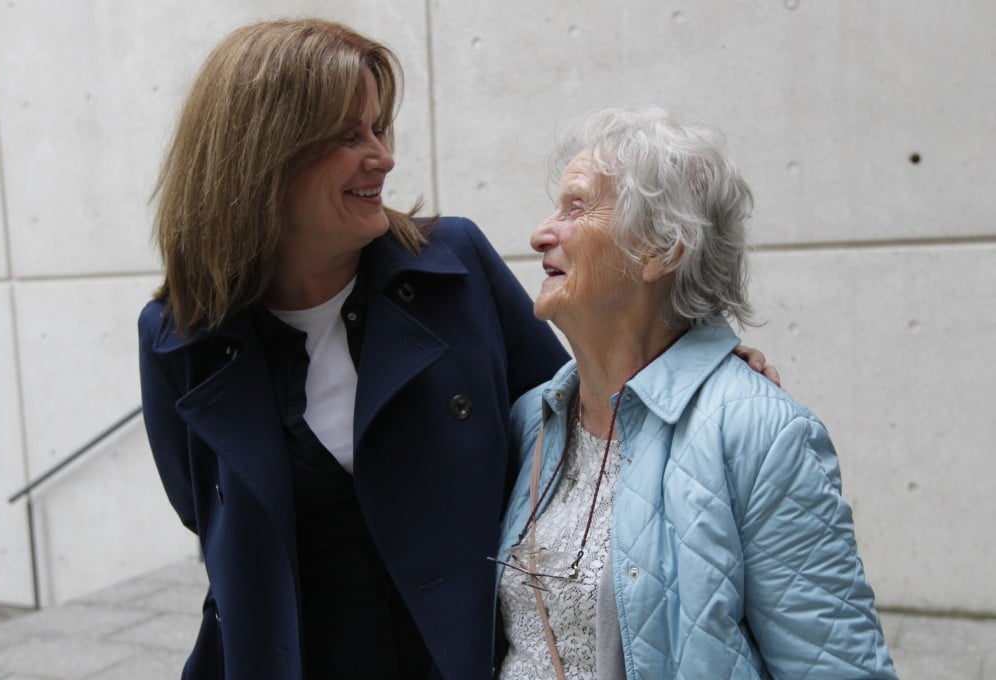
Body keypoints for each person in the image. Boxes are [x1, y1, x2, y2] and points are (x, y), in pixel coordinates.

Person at [138, 17, 775, 679]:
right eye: (348, 135)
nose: (382, 156)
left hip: (459, 660)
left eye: (380, 128)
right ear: (263, 153)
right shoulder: (176, 340)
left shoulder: (454, 268)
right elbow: (208, 519)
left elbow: (586, 419)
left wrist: (695, 366)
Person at [494, 107, 897, 679]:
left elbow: (835, 667)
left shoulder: (759, 432)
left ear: (662, 249)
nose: (540, 233)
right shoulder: (532, 421)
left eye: (577, 207)